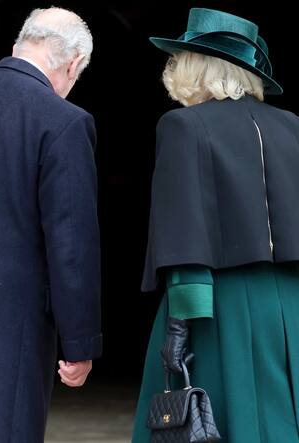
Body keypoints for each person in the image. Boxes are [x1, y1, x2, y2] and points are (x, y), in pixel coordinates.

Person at [132, 8, 299, 443]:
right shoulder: (292, 127)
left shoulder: (182, 126)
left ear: (193, 67)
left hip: (215, 303)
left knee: (214, 424)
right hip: (291, 304)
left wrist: (179, 326)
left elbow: (184, 226)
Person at [0, 7, 101, 443]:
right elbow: (71, 245)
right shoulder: (63, 121)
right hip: (9, 331)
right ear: (73, 64)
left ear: (17, 47)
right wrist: (80, 344)